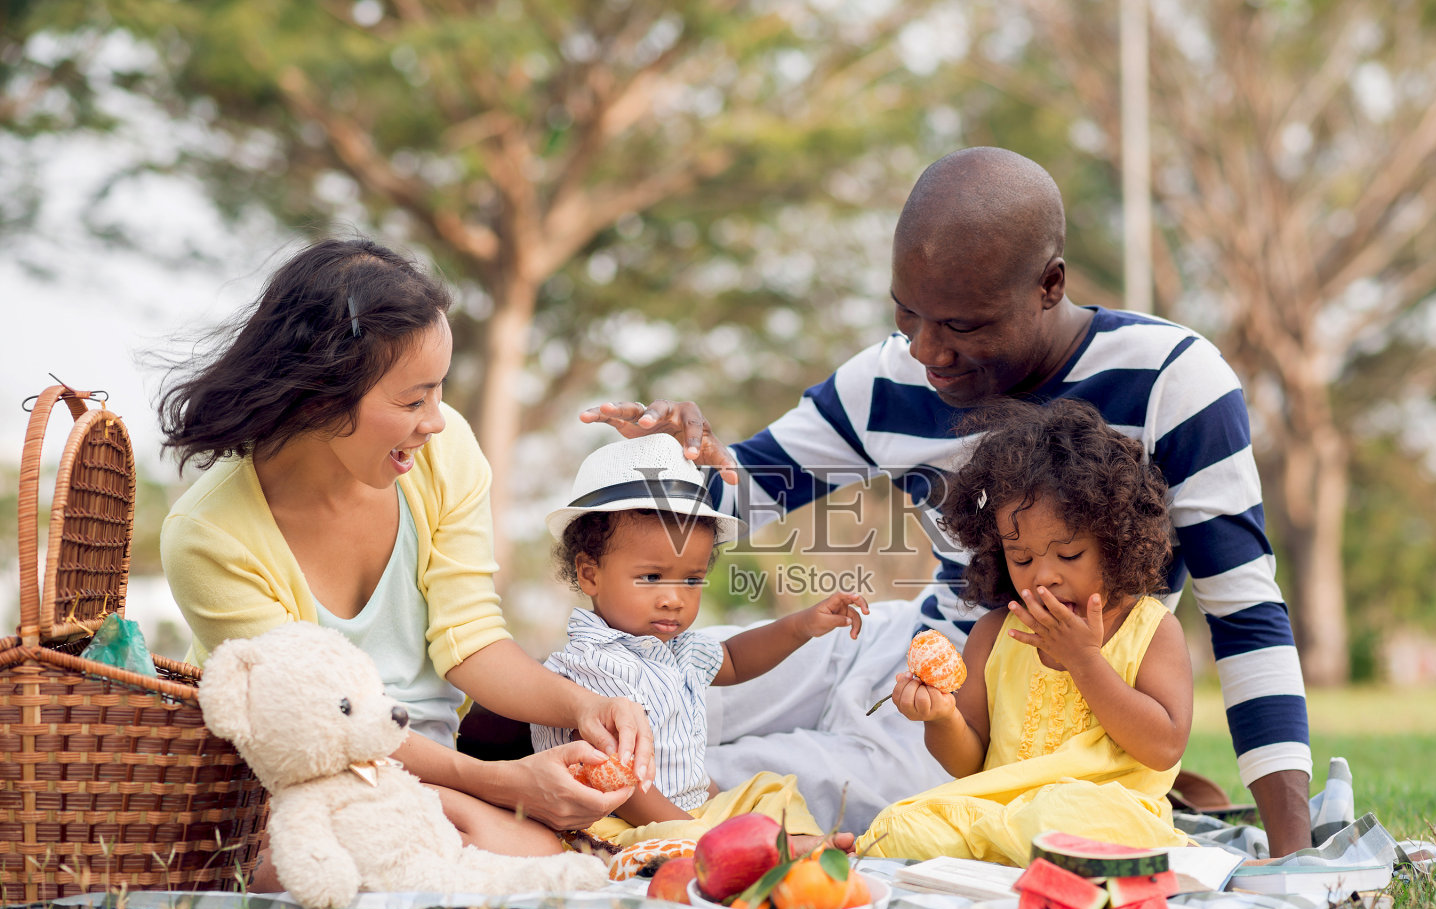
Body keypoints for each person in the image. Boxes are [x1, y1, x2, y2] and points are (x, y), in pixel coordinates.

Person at [580, 147, 1314, 855]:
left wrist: (1294, 853)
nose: (927, 353)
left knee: (695, 786)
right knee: (618, 715)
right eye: (907, 315)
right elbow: (736, 502)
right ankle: (489, 768)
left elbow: (1244, 612)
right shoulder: (886, 382)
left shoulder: (1173, 383)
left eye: (963, 326)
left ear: (1049, 285)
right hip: (884, 640)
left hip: (977, 713)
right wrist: (674, 460)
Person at [158, 237, 656, 878]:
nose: (436, 421)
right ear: (319, 394)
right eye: (411, 400)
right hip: (303, 781)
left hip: (434, 772)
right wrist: (499, 785)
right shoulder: (209, 533)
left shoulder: (441, 458)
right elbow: (318, 723)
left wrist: (582, 706)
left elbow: (470, 639)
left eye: (438, 393)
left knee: (504, 847)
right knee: (446, 846)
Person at [859, 399, 1192, 863]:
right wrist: (941, 718)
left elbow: (1163, 747)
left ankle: (1018, 853)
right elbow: (968, 763)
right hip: (1000, 813)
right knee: (896, 827)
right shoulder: (995, 634)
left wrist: (1084, 660)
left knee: (1062, 810)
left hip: (1102, 817)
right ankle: (1011, 855)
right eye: (1022, 558)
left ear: (1116, 542)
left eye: (1069, 556)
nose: (1044, 577)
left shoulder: (1152, 630)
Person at [534, 435, 863, 851]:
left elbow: (735, 659)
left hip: (688, 816)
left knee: (769, 789)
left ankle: (784, 845)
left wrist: (802, 625)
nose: (675, 598)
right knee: (675, 840)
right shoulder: (590, 665)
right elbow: (623, 785)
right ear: (590, 574)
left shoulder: (676, 647)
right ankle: (757, 851)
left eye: (691, 579)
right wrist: (709, 836)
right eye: (652, 577)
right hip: (612, 820)